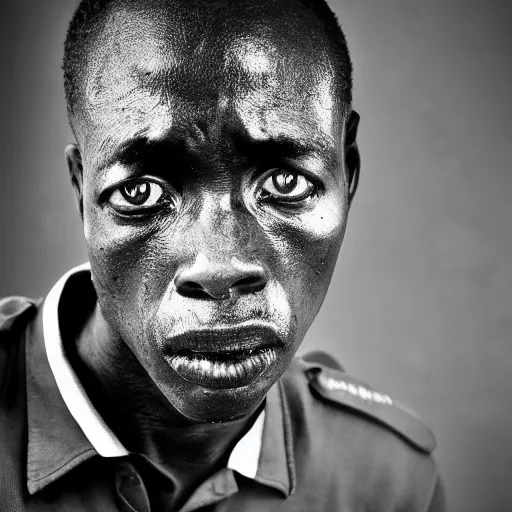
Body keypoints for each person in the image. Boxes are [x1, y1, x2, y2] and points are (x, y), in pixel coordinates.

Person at [0, 0, 445, 510]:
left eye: (285, 182)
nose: (218, 266)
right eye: (141, 192)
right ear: (82, 189)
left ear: (347, 171)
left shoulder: (388, 481)